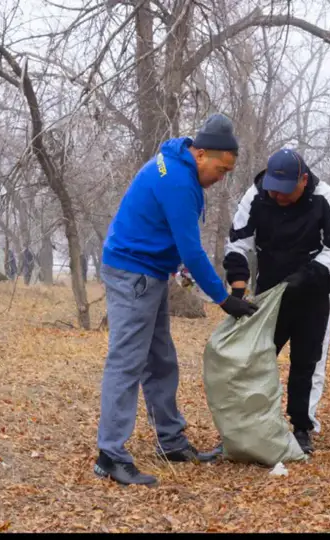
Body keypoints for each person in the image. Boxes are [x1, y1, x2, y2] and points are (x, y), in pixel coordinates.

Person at [95, 114, 259, 487]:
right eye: (221, 168)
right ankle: (110, 454)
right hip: (133, 272)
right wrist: (223, 298)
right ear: (200, 154)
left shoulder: (177, 164)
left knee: (160, 359)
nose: (222, 178)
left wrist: (184, 274)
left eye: (228, 171)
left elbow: (174, 241)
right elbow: (191, 248)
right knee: (126, 362)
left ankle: (169, 440)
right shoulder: (180, 183)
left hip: (148, 270)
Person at [223, 148, 330, 455]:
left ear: (303, 180)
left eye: (285, 191)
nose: (278, 197)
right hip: (268, 291)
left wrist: (305, 277)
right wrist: (238, 292)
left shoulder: (325, 198)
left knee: (307, 362)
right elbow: (238, 243)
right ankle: (250, 427)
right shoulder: (256, 195)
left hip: (312, 292)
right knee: (256, 359)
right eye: (273, 191)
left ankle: (302, 427)